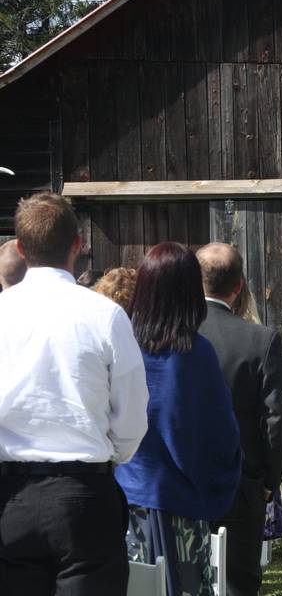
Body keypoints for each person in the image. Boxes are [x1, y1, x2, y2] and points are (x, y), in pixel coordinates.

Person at [0, 192, 148, 596]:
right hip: (83, 492)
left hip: (12, 494)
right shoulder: (105, 315)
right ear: (78, 245)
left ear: (19, 247)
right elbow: (132, 412)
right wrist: (111, 454)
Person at [115, 242, 241, 596]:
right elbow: (219, 433)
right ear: (190, 292)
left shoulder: (122, 344)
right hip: (181, 502)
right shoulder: (194, 352)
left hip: (125, 497)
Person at [196, 242, 282, 595]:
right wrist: (271, 479)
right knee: (239, 580)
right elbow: (276, 418)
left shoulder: (172, 334)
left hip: (183, 479)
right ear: (238, 287)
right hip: (243, 480)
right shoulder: (259, 339)